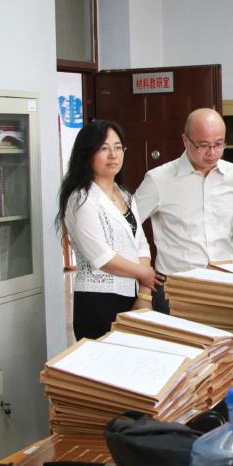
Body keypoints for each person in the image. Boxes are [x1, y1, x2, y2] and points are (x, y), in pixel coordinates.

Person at [134, 108, 233, 312]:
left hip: (227, 284)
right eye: (203, 145)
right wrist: (143, 274)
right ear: (185, 141)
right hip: (176, 288)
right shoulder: (158, 179)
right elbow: (128, 226)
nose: (212, 152)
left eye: (219, 144)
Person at [59, 120, 161, 340]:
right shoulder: (81, 199)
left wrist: (144, 293)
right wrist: (145, 274)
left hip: (133, 295)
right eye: (104, 148)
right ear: (87, 154)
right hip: (98, 301)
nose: (113, 155)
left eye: (118, 147)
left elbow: (141, 245)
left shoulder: (125, 195)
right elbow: (101, 257)